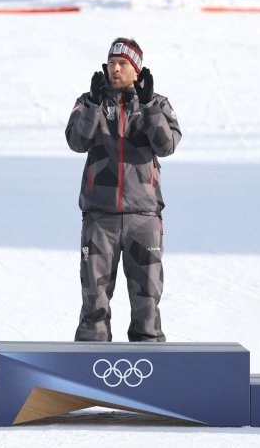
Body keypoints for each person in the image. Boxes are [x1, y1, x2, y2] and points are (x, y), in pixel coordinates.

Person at [66, 38, 181, 342]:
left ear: (137, 70)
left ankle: (149, 373)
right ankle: (88, 370)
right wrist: (91, 106)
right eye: (111, 63)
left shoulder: (157, 103)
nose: (114, 69)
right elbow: (77, 142)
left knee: (147, 301)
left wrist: (146, 106)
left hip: (143, 217)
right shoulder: (89, 100)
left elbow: (167, 145)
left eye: (122, 64)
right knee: (94, 301)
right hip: (99, 217)